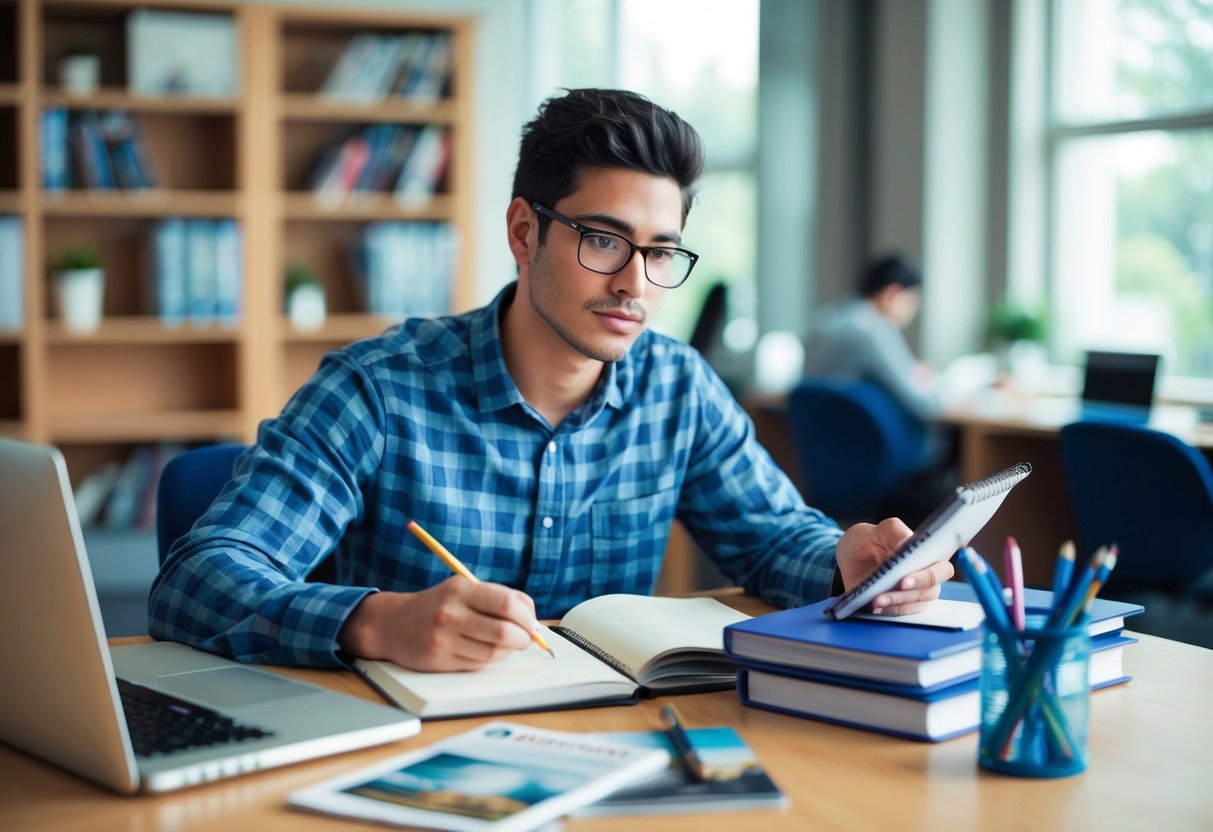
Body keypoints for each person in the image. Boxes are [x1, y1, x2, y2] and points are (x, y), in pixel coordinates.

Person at [148, 89, 953, 673]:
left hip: (607, 746)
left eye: (660, 251)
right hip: (400, 751)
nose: (635, 283)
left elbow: (773, 536)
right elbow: (198, 579)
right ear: (523, 231)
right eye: (604, 240)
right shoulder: (377, 390)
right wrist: (375, 623)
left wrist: (846, 560)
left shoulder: (675, 386)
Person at [802, 253, 958, 523]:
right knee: (951, 444)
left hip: (826, 463)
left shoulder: (824, 323)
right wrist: (928, 380)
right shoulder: (872, 330)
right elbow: (925, 403)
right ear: (893, 294)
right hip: (876, 461)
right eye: (912, 302)